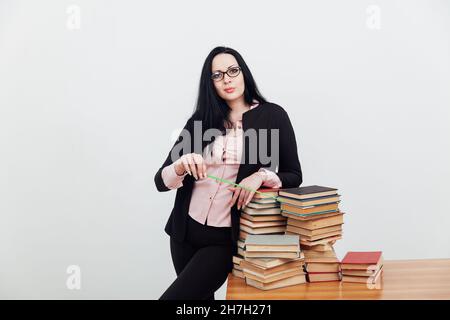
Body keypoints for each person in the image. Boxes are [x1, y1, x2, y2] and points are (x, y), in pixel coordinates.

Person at [155, 46, 302, 300]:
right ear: (210, 83)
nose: (227, 79)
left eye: (233, 70)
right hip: (183, 233)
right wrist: (180, 165)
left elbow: (294, 175)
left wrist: (261, 176)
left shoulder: (273, 116)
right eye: (218, 75)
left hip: (224, 238)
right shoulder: (201, 121)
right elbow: (161, 181)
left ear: (243, 72)